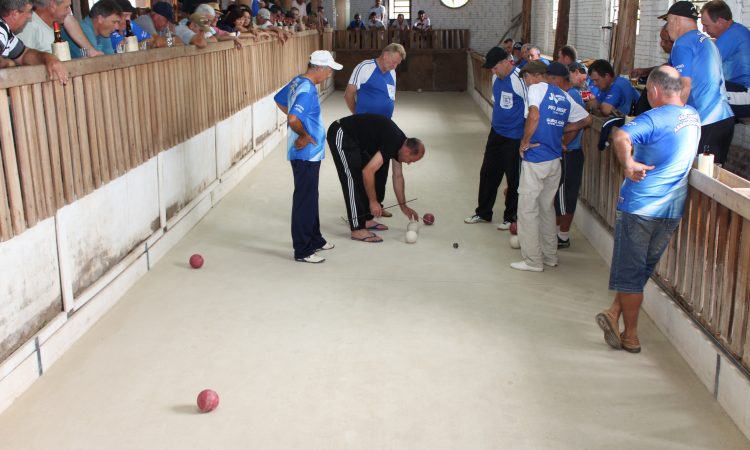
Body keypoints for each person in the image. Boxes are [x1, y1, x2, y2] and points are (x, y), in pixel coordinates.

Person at [596, 66, 700, 353]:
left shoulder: (653, 118)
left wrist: (628, 164)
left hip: (640, 207)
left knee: (631, 275)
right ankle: (614, 313)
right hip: (670, 211)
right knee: (640, 270)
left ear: (653, 91)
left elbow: (620, 136)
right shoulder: (692, 116)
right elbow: (686, 84)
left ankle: (630, 336)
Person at [512, 61, 591, 272]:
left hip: (536, 159)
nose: (526, 82)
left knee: (527, 210)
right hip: (555, 161)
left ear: (534, 76)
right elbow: (586, 119)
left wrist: (524, 142)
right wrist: (559, 136)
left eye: (525, 78)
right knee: (547, 209)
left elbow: (535, 115)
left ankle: (532, 261)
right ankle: (549, 256)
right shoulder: (563, 95)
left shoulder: (536, 88)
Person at [273, 50, 341, 263]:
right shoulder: (307, 89)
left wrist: (301, 129)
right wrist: (303, 134)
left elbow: (279, 99)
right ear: (318, 68)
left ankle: (315, 238)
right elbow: (293, 117)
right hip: (305, 154)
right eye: (328, 69)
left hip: (308, 153)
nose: (330, 73)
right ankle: (302, 250)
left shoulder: (297, 81)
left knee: (311, 196)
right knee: (304, 199)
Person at [327, 114, 424, 243]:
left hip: (358, 141)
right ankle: (357, 229)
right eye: (411, 160)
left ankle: (365, 219)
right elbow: (368, 171)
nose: (409, 163)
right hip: (342, 132)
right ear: (407, 151)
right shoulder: (393, 142)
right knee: (352, 178)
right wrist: (373, 201)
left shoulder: (400, 145)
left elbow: (398, 176)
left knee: (377, 176)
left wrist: (403, 206)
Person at [662, 1, 734, 164]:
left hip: (706, 121)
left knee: (698, 181)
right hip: (725, 119)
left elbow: (683, 87)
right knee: (713, 178)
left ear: (676, 20)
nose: (667, 28)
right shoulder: (708, 41)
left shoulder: (682, 43)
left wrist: (669, 122)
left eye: (668, 22)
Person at [464, 47, 526, 230]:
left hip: (514, 137)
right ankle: (483, 213)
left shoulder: (519, 79)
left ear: (506, 62)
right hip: (496, 133)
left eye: (495, 67)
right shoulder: (495, 77)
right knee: (488, 173)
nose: (492, 71)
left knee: (513, 178)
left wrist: (525, 138)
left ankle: (510, 217)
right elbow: (498, 103)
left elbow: (531, 110)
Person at [344, 43, 405, 218]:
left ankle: (378, 204)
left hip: (384, 131)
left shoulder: (392, 72)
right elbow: (348, 94)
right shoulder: (365, 67)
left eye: (398, 64)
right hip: (366, 131)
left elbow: (389, 98)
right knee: (365, 168)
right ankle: (363, 210)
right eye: (394, 62)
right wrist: (357, 115)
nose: (395, 66)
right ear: (385, 55)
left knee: (382, 171)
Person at [555, 61, 589, 249]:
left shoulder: (572, 95)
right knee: (562, 196)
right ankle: (559, 235)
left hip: (569, 153)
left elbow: (578, 124)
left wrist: (562, 145)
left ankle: (560, 236)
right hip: (568, 153)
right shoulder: (567, 94)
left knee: (564, 197)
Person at [700, 0, 750, 118]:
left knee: (697, 92)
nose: (703, 30)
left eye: (706, 25)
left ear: (721, 22)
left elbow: (701, 65)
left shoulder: (732, 35)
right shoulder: (736, 31)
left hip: (746, 95)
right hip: (737, 89)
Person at [0, 0, 67, 83]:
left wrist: (47, 57)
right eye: (29, 11)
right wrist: (6, 63)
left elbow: (24, 54)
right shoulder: (1, 30)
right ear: (15, 14)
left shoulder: (6, 32)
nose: (30, 16)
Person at [16, 0, 101, 55]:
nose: (69, 11)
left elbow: (69, 20)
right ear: (53, 5)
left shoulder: (53, 24)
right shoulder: (29, 26)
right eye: (67, 7)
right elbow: (22, 59)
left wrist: (91, 50)